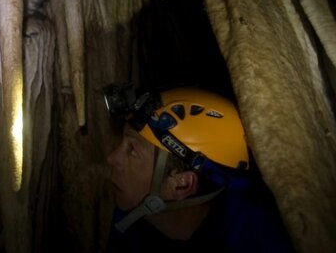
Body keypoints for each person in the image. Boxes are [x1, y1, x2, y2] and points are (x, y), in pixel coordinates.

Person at [102, 84, 294, 252]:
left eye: (132, 151)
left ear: (182, 185)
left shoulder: (255, 241)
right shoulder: (122, 223)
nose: (111, 159)